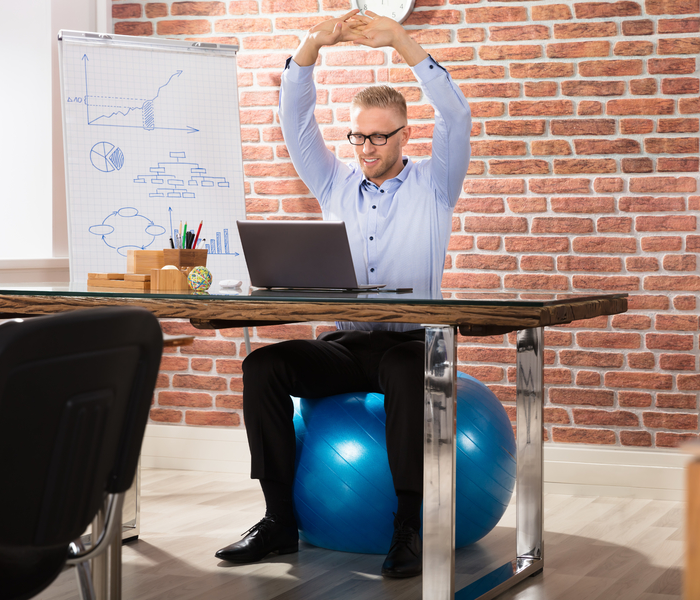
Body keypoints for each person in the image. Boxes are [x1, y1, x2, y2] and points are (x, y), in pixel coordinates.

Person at [215, 9, 471, 578]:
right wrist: (312, 45)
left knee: (406, 371)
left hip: (412, 349)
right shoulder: (333, 181)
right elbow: (294, 116)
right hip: (349, 348)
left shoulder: (437, 182)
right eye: (358, 135)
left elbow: (457, 114)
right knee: (264, 367)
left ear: (405, 134)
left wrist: (402, 42)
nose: (367, 146)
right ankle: (279, 520)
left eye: (380, 136)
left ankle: (407, 527)